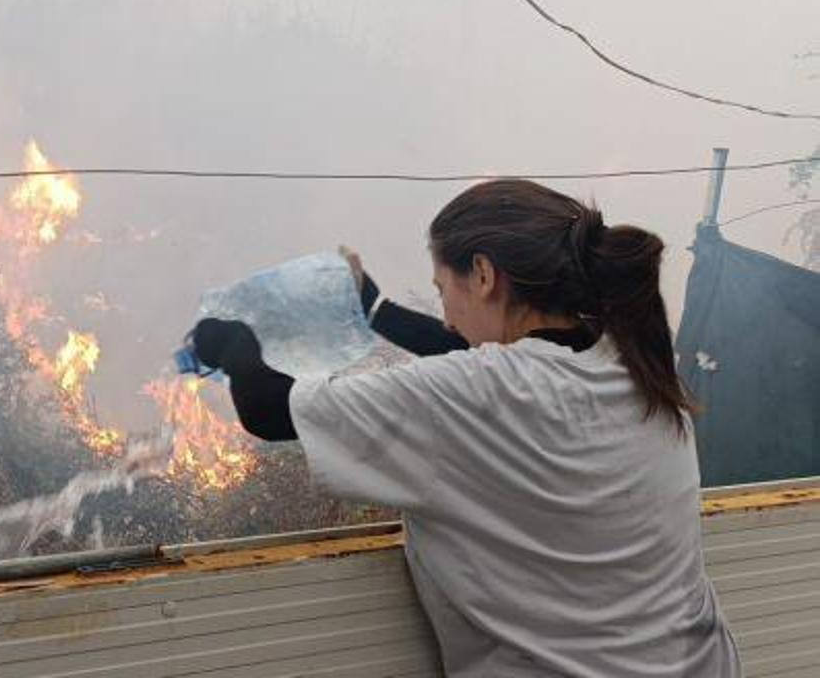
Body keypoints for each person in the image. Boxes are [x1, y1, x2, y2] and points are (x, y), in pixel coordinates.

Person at [191, 180, 742, 677]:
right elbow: (475, 355)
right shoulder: (633, 361)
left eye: (442, 290)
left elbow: (267, 409)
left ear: (483, 275)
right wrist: (374, 306)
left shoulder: (479, 395)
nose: (447, 313)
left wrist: (232, 338)